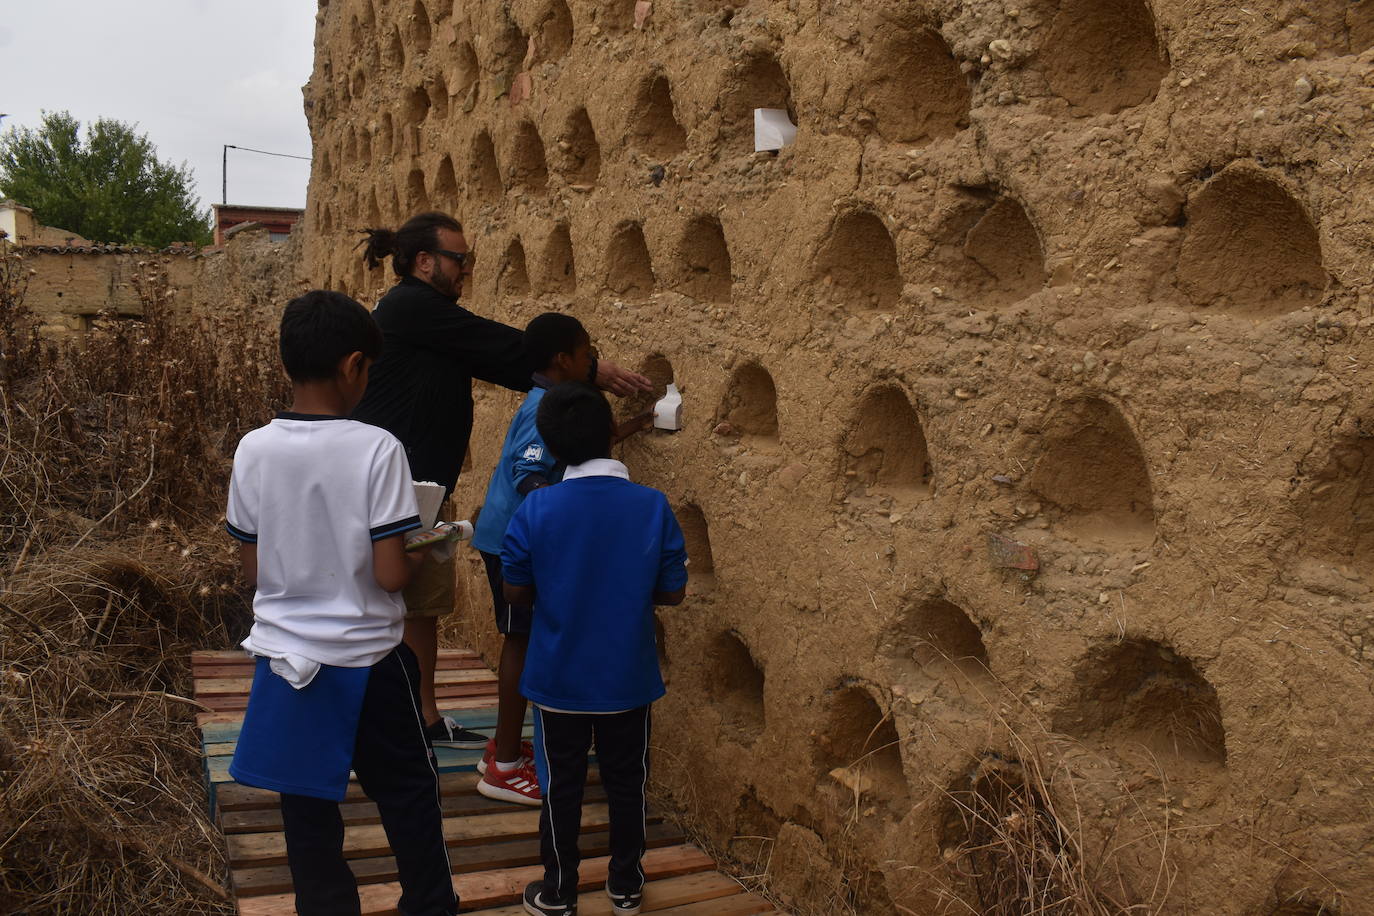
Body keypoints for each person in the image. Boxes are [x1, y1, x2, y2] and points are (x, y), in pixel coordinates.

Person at [353, 212, 651, 750]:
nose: (467, 268)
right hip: (396, 493)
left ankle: (420, 719)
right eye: (459, 259)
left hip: (418, 490)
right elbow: (500, 347)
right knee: (392, 604)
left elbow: (498, 359)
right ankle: (386, 728)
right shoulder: (411, 307)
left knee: (421, 606)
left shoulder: (428, 315)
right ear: (425, 262)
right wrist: (589, 371)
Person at [225, 291, 456, 916]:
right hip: (369, 661)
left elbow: (252, 569)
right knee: (409, 793)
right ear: (355, 365)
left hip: (286, 664)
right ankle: (429, 906)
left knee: (305, 810)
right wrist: (423, 546)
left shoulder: (252, 449)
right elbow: (387, 577)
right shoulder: (378, 448)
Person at [500, 383, 688, 916]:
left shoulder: (537, 509)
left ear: (552, 448)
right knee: (628, 783)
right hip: (627, 678)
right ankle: (626, 884)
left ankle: (558, 891)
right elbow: (673, 591)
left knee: (562, 787)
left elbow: (515, 588)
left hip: (558, 677)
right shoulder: (651, 506)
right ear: (611, 433)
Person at [470, 314, 652, 806]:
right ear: (563, 360)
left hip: (519, 536)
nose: (593, 361)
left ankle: (503, 750)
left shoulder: (555, 405)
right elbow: (529, 473)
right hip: (514, 540)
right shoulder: (544, 405)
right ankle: (504, 764)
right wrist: (562, 519)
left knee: (523, 637)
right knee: (520, 642)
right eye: (587, 352)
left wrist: (633, 426)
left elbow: (573, 451)